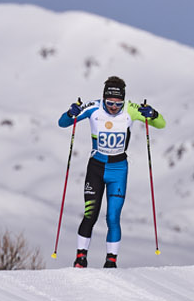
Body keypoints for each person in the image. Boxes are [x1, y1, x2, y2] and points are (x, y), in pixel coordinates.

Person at [57, 75, 165, 268]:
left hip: (118, 170)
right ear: (103, 98)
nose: (114, 108)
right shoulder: (92, 108)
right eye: (109, 103)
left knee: (113, 217)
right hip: (96, 167)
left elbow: (161, 124)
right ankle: (81, 258)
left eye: (118, 104)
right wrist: (70, 112)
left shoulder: (131, 110)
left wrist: (153, 114)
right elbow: (63, 123)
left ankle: (111, 261)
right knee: (90, 214)